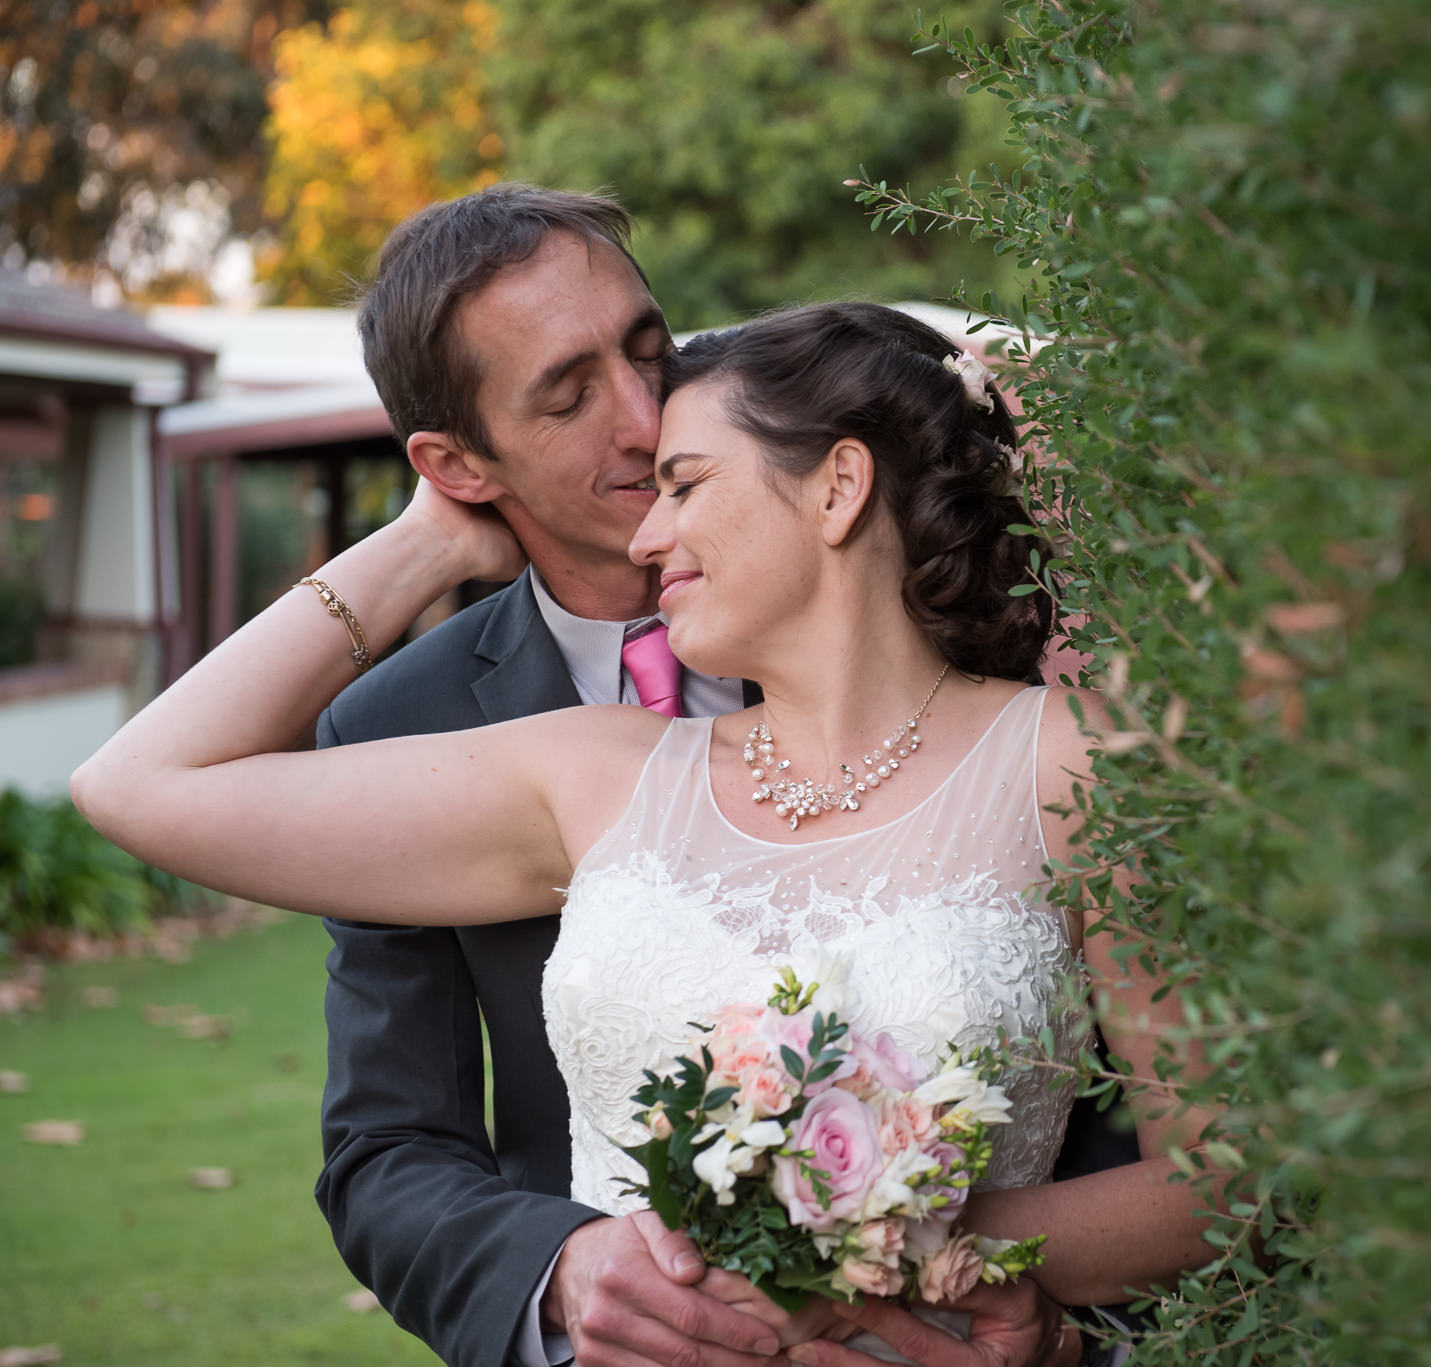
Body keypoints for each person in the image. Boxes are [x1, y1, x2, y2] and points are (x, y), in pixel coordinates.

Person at [72, 298, 1214, 1364]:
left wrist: (910, 1238)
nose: (643, 533)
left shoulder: (1081, 761)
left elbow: (1225, 1176)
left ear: (837, 487)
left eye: (683, 481)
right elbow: (139, 784)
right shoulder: (593, 771)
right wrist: (421, 543)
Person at [297, 185, 1131, 1367]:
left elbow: (1150, 1096)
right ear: (458, 459)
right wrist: (563, 1268)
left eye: (649, 349)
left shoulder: (931, 610)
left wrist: (1046, 1318)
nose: (642, 418)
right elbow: (388, 1146)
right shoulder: (404, 725)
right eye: (569, 393)